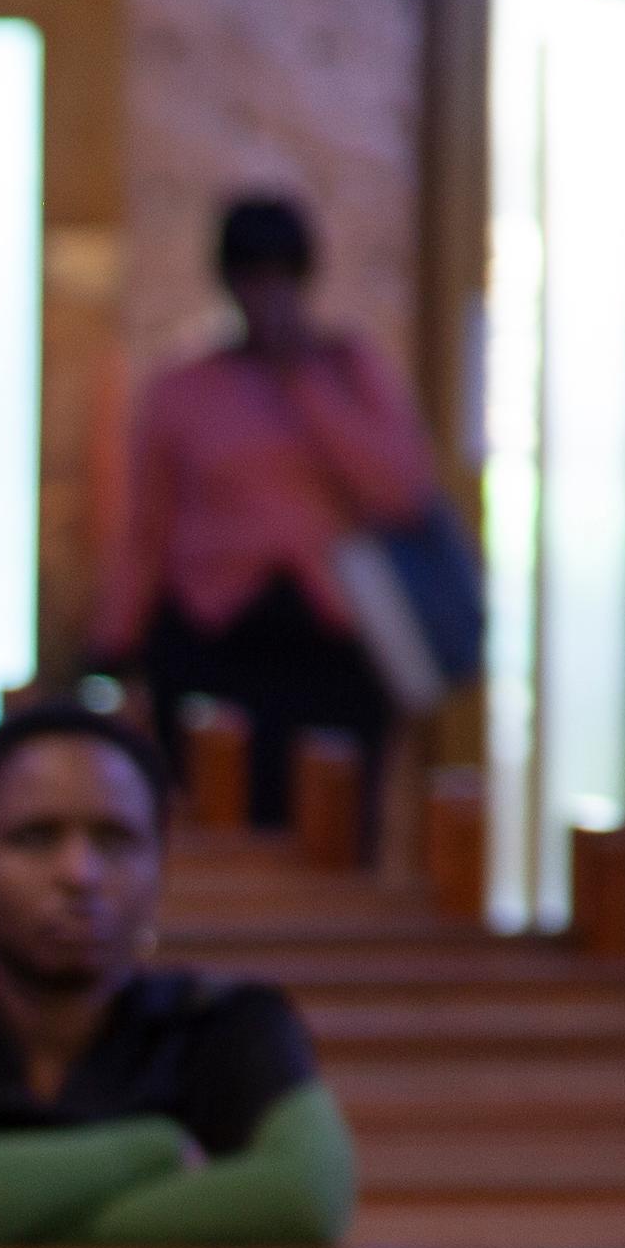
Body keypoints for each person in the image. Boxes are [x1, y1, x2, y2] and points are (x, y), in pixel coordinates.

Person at [0, 698, 356, 1248]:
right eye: (35, 838)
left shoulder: (231, 1028)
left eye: (115, 840)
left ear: (159, 866)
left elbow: (305, 1199)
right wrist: (154, 1150)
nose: (80, 874)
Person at [102, 191, 451, 832]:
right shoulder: (182, 390)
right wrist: (114, 640)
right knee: (215, 817)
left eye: (281, 276)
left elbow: (400, 492)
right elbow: (144, 532)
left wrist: (302, 378)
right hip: (214, 640)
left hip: (332, 642)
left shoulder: (351, 373)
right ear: (230, 283)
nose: (267, 293)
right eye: (252, 276)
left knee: (336, 825)